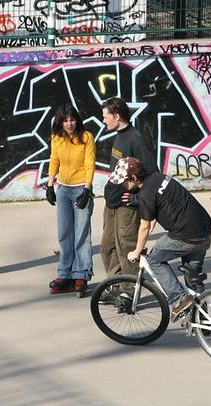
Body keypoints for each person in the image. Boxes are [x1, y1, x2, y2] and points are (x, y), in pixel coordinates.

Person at [109, 157, 211, 321]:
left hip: (184, 236)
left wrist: (137, 251)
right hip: (204, 231)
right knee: (193, 277)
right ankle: (203, 320)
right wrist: (147, 234)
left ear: (134, 178)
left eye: (124, 182)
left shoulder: (145, 195)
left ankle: (180, 299)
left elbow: (143, 226)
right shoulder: (159, 177)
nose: (122, 186)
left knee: (153, 260)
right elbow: (155, 215)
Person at [100, 97, 158, 280]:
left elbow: (152, 174)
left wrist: (138, 199)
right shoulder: (119, 136)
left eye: (105, 116)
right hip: (112, 203)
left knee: (127, 247)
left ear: (116, 116)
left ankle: (129, 289)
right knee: (108, 246)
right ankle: (115, 284)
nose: (103, 120)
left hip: (127, 206)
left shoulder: (136, 139)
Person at [44, 103, 96, 296]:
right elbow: (54, 160)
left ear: (77, 120)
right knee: (64, 234)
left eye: (72, 119)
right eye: (65, 120)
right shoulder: (57, 138)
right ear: (60, 121)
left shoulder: (86, 137)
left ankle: (81, 274)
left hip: (81, 188)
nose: (69, 123)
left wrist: (87, 190)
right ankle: (65, 274)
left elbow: (90, 164)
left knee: (81, 234)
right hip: (63, 189)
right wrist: (50, 185)